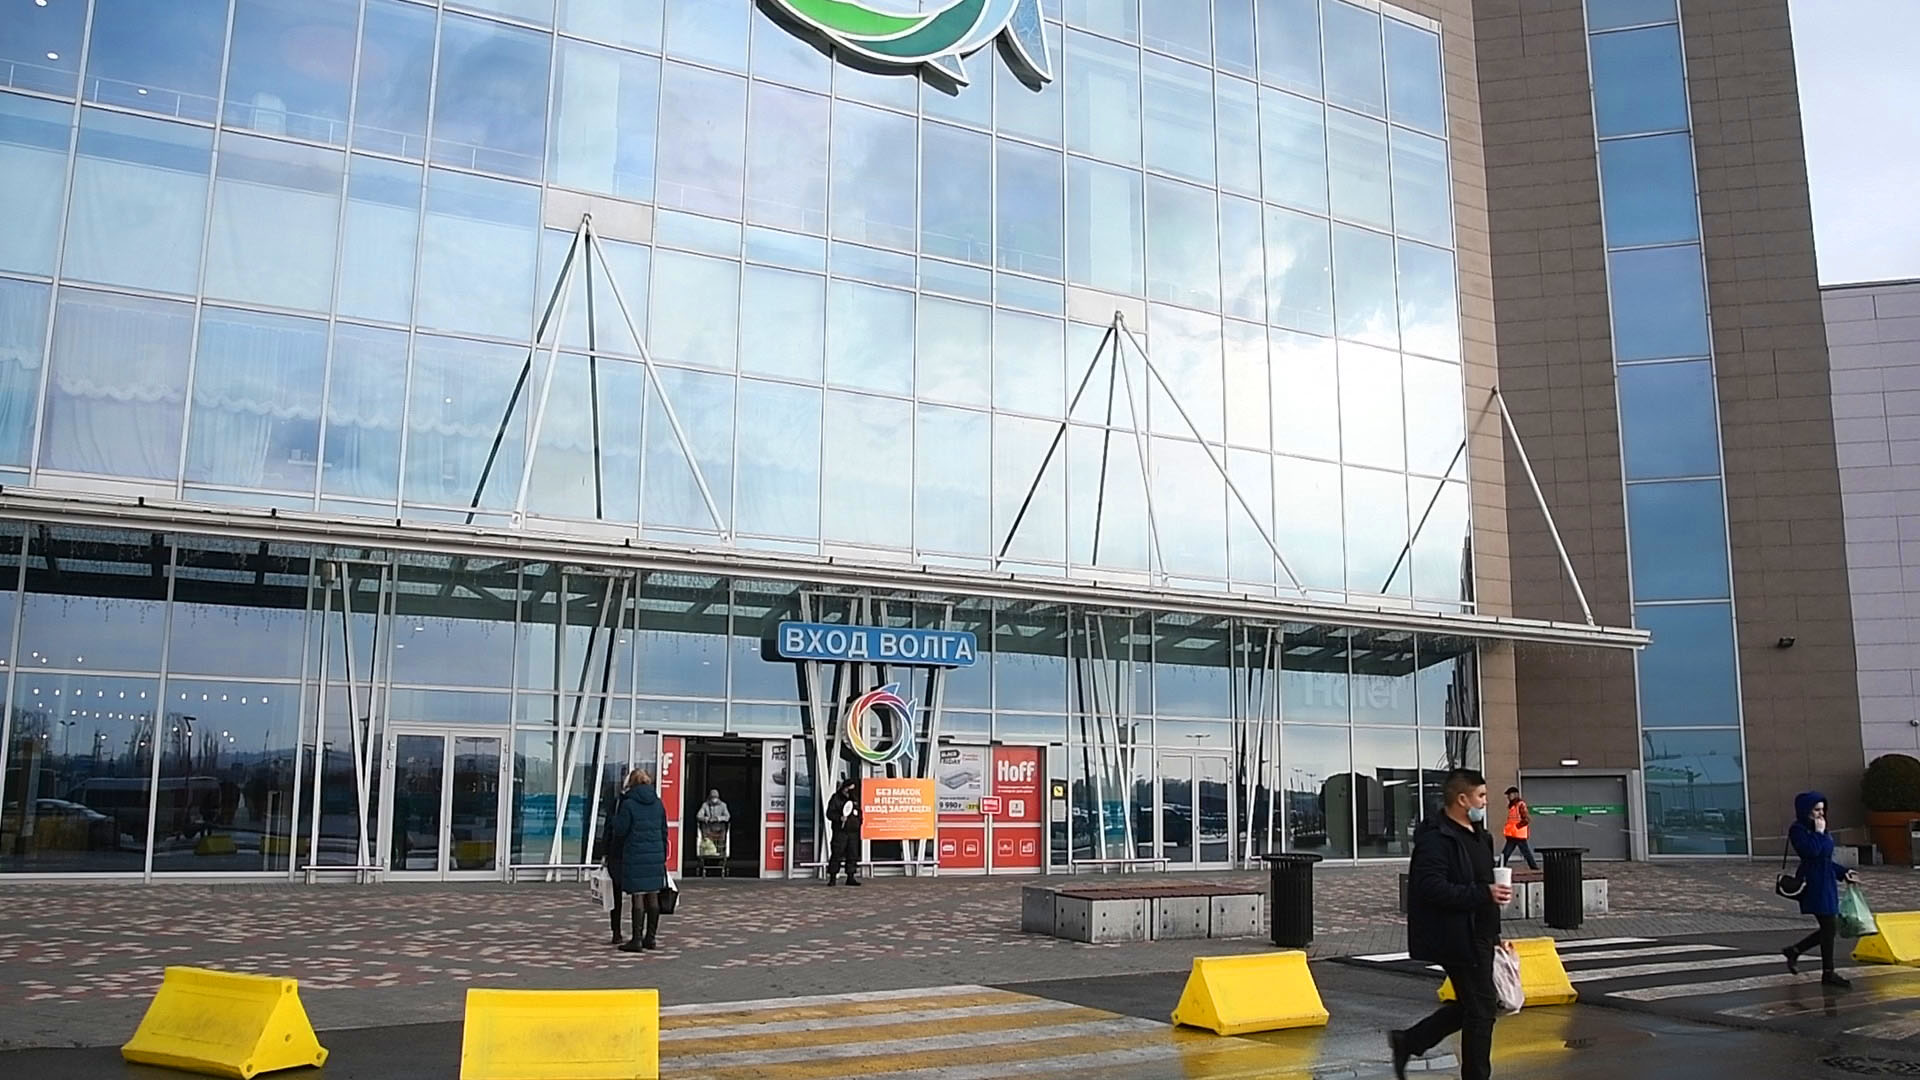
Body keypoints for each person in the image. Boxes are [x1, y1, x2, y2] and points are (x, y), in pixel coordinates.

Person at [1391, 768, 1510, 1080]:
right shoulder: (1436, 839)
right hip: (1455, 936)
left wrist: (1496, 934)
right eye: (1480, 796)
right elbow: (1430, 887)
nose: (1485, 802)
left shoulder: (1481, 836)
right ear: (1462, 799)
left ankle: (1409, 1041)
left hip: (1481, 933)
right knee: (1482, 1009)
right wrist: (1483, 893)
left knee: (1475, 1005)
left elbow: (1484, 883)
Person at [1781, 791, 1861, 988]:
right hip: (1813, 881)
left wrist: (1844, 872)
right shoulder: (1798, 829)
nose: (1820, 814)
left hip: (1827, 880)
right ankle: (1827, 972)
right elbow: (1811, 852)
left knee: (1829, 927)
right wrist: (1818, 833)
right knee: (1829, 926)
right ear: (1806, 810)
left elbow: (1826, 858)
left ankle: (1796, 951)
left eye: (1822, 809)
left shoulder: (1822, 828)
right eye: (1816, 810)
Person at [609, 767, 669, 953]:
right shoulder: (658, 803)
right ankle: (650, 938)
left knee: (638, 896)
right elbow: (664, 830)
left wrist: (614, 819)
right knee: (653, 894)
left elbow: (621, 830)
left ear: (631, 783)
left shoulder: (628, 804)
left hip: (635, 854)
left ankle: (636, 939)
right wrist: (662, 854)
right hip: (655, 855)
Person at [825, 776, 864, 886]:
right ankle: (833, 877)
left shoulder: (854, 799)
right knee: (837, 853)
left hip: (853, 832)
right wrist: (839, 818)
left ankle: (850, 877)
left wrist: (859, 822)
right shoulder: (836, 798)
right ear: (845, 788)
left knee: (852, 854)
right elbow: (829, 813)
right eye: (850, 788)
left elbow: (859, 813)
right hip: (840, 832)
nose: (851, 791)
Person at [1500, 786, 1537, 871]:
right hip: (1513, 834)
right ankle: (1500, 866)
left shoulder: (1520, 805)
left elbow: (1526, 819)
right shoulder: (1512, 806)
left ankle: (1500, 866)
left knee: (1513, 852)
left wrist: (1517, 827)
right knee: (1508, 852)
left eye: (1509, 795)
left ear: (1515, 794)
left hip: (1518, 834)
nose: (1508, 797)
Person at [696, 790, 732, 861]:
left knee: (721, 837)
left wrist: (718, 818)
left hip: (719, 828)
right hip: (708, 829)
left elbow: (727, 817)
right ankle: (707, 853)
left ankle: (720, 851)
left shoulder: (723, 805)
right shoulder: (705, 805)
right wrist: (706, 818)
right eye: (712, 797)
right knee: (705, 835)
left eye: (715, 797)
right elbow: (698, 815)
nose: (714, 799)